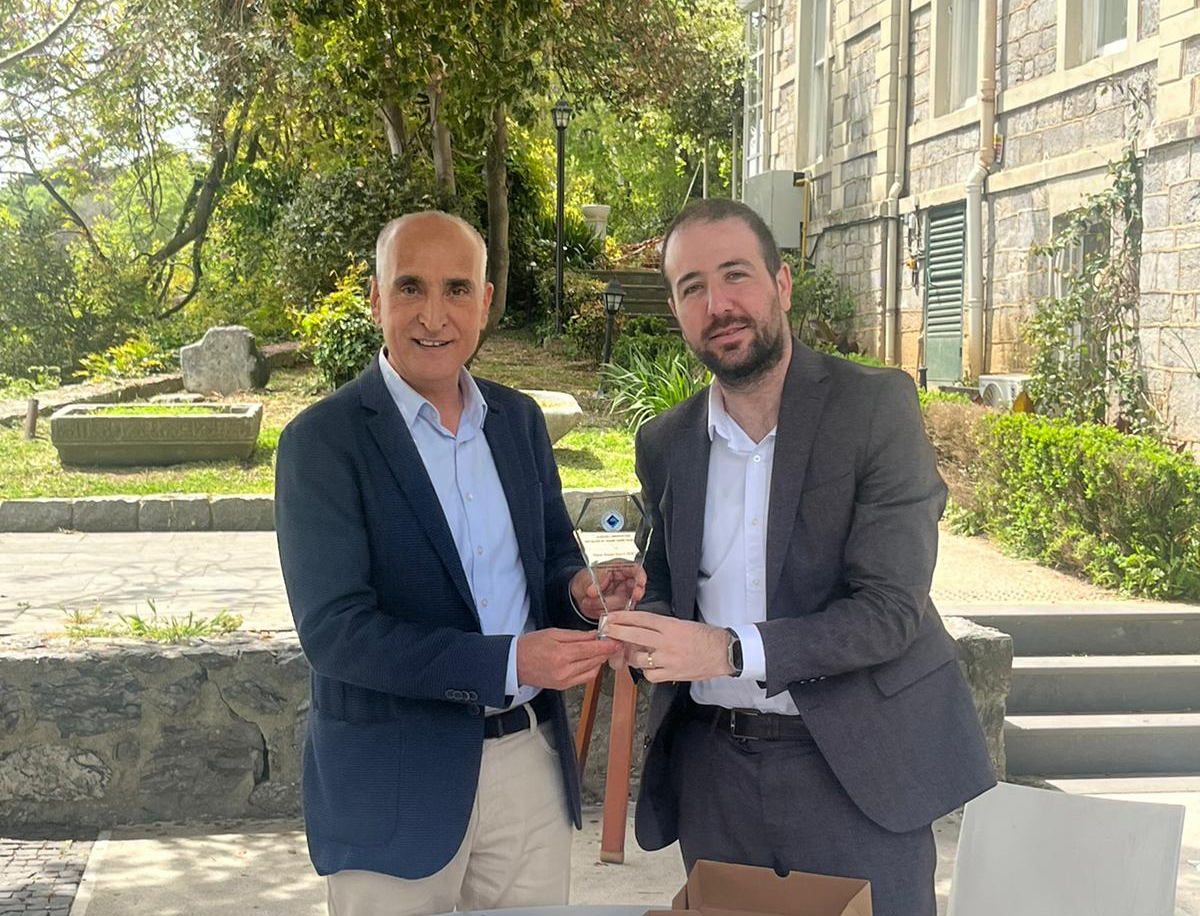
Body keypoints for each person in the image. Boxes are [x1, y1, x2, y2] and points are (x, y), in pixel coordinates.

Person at [603, 199, 995, 916]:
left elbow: (889, 611)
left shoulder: (874, 407)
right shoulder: (665, 442)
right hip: (714, 774)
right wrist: (641, 624)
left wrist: (726, 651)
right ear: (676, 310)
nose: (718, 305)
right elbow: (666, 582)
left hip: (855, 766)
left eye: (736, 275)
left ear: (781, 284)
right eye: (693, 288)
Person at [275, 211, 632, 916]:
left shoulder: (518, 420)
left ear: (486, 301)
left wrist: (581, 593)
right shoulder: (322, 442)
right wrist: (509, 662)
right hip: (392, 783)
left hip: (527, 767)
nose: (434, 315)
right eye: (410, 287)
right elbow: (337, 633)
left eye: (457, 289)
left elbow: (551, 558)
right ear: (376, 299)